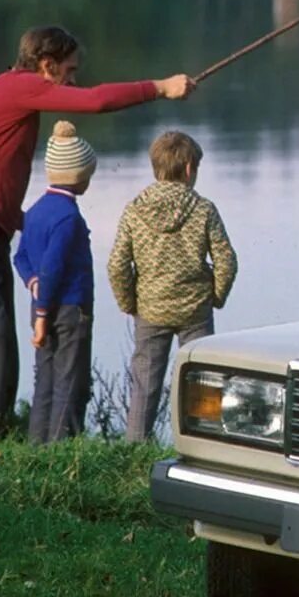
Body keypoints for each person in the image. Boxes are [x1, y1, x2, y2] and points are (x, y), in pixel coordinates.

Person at [0, 25, 194, 438]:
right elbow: (96, 101)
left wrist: (25, 221)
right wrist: (161, 87)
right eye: (69, 70)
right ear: (46, 65)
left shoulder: (11, 92)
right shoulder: (18, 87)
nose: (72, 81)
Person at [108, 129, 238, 442]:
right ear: (190, 169)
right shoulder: (204, 209)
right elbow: (227, 261)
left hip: (150, 308)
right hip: (195, 310)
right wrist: (215, 297)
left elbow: (117, 265)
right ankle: (204, 446)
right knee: (204, 379)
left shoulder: (134, 209)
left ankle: (134, 447)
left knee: (145, 383)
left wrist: (129, 302)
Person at [12, 122, 98, 443]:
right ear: (79, 176)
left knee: (45, 382)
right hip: (68, 309)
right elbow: (53, 266)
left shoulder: (35, 211)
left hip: (41, 305)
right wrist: (43, 313)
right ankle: (63, 450)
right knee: (69, 382)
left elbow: (20, 257)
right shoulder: (68, 218)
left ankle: (37, 445)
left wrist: (33, 286)